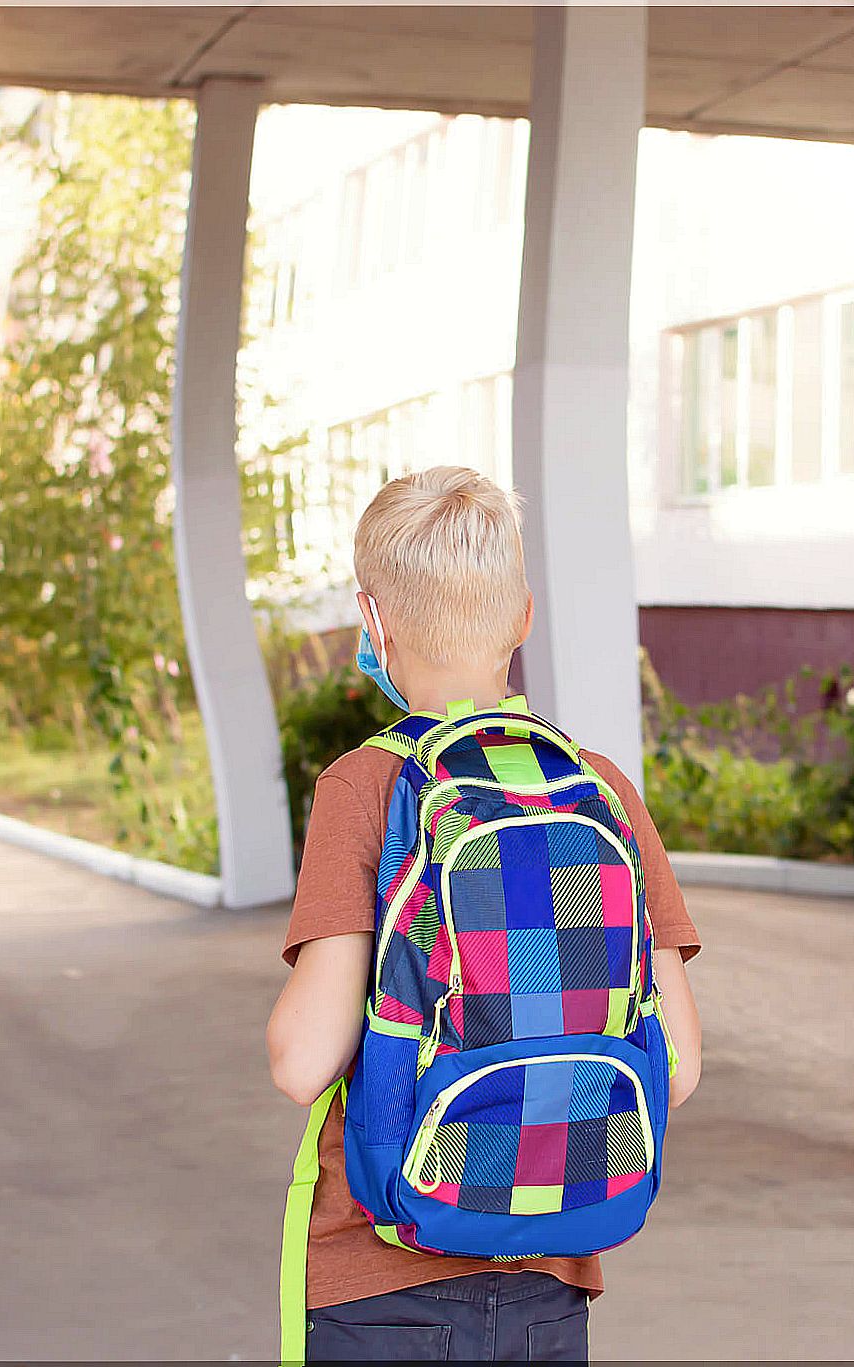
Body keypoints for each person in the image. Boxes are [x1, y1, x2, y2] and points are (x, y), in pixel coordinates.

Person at [267, 466, 703, 1362]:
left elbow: (302, 1060)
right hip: (555, 1273)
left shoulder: (370, 786)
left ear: (373, 622)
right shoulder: (599, 791)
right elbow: (682, 1065)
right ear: (524, 616)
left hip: (381, 1272)